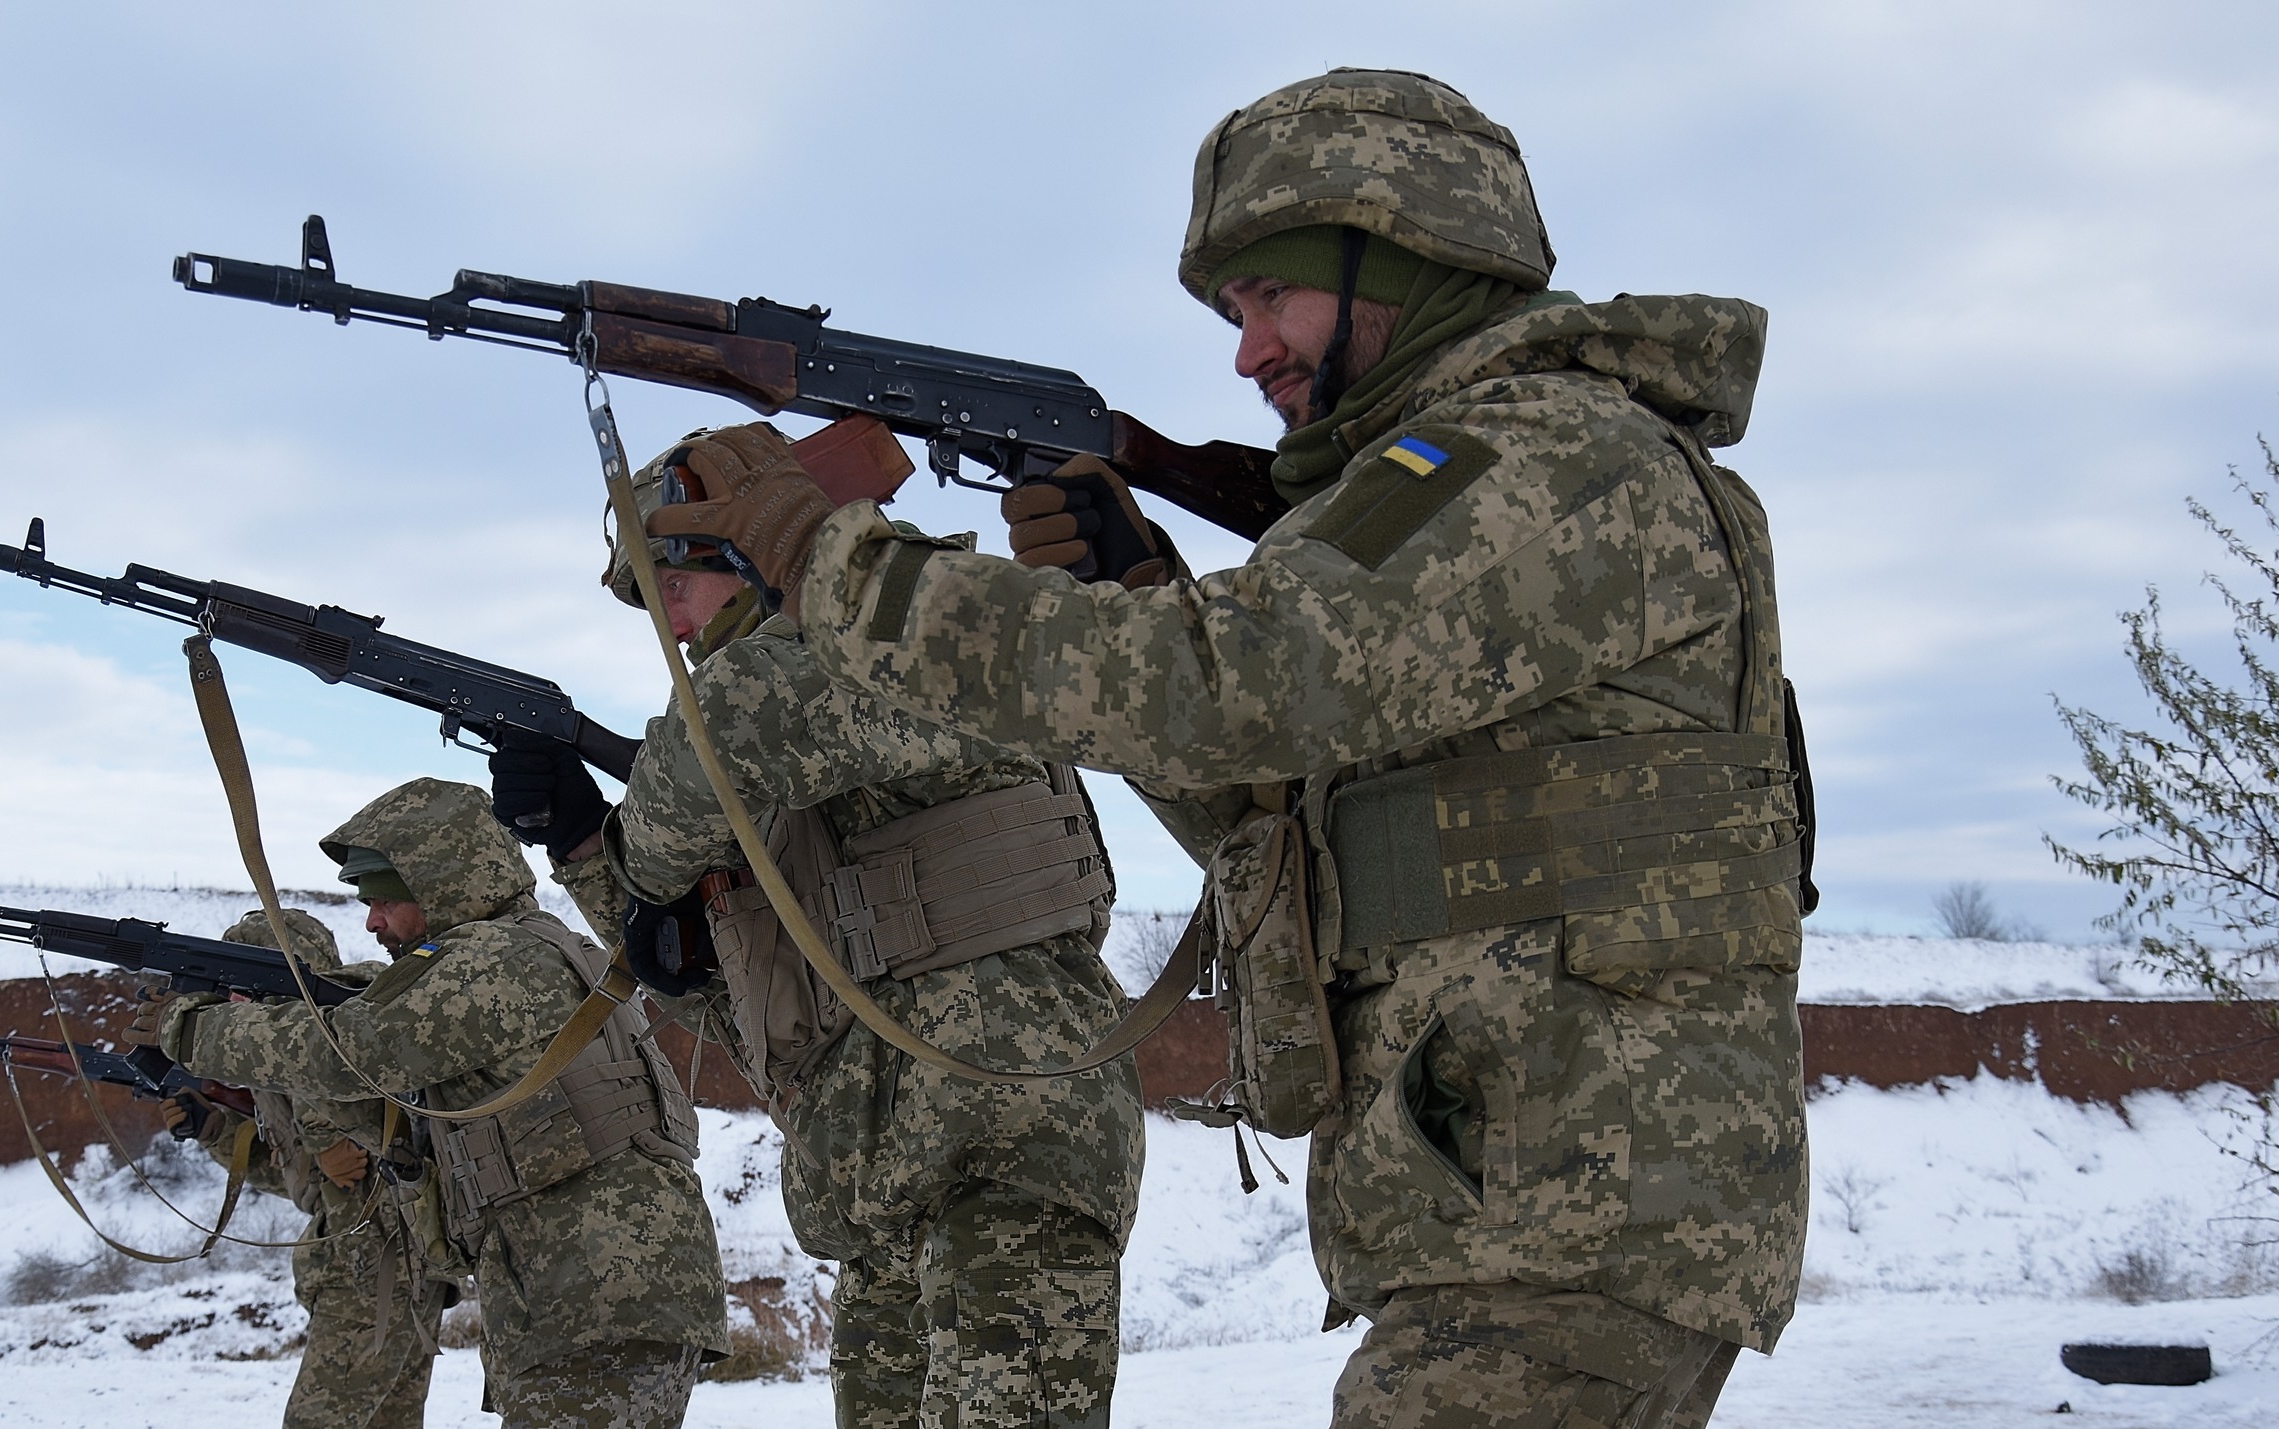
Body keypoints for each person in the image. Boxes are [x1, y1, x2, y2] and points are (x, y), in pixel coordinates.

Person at [639, 67, 1812, 1429]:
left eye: (1272, 298)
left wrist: (828, 561)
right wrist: (1137, 594)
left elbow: (1238, 682)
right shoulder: (1473, 481)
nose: (1248, 354)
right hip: (1517, 1184)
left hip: (1581, 1187)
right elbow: (1277, 828)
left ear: (1407, 252)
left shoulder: (1548, 455)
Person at [484, 448, 1145, 1429]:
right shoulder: (779, 772)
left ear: (742, 545)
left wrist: (636, 851)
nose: (671, 626)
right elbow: (731, 1002)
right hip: (879, 1187)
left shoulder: (916, 614)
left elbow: (728, 733)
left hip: (1007, 1146)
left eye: (674, 585)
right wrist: (585, 847)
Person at [147, 778, 727, 1429]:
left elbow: (357, 1051)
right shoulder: (527, 947)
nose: (372, 921)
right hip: (587, 1291)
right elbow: (399, 1123)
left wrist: (191, 1029)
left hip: (596, 1291)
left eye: (384, 898)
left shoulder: (495, 958)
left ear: (442, 880)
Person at [163, 906, 458, 1429]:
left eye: (246, 991)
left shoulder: (358, 1021)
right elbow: (310, 1182)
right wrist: (214, 1131)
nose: (237, 1007)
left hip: (376, 1271)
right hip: (381, 1271)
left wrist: (325, 1133)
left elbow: (387, 1135)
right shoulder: (281, 1063)